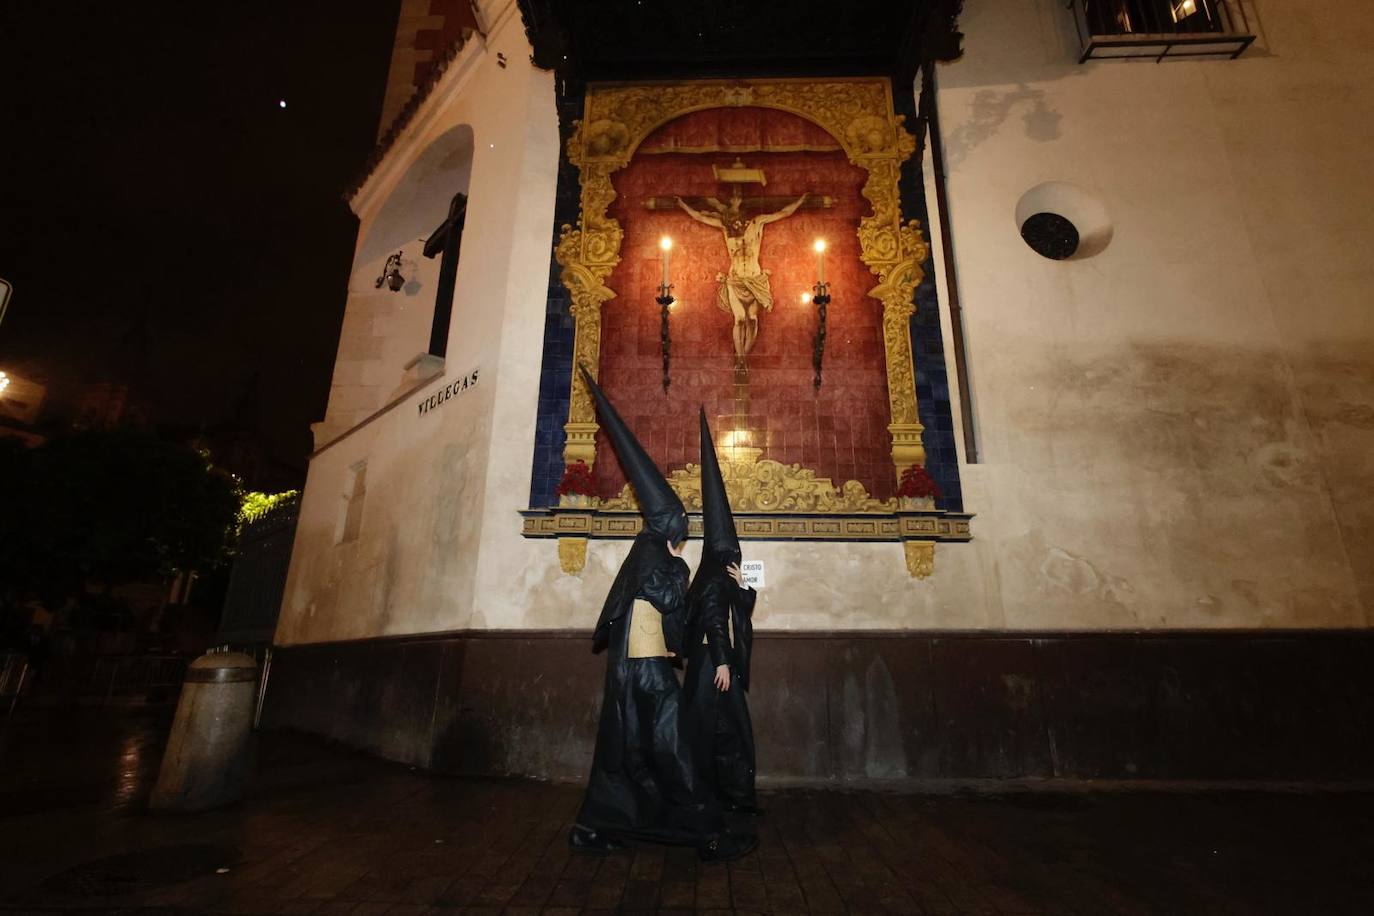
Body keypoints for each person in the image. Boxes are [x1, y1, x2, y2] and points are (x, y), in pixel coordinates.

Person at [568, 367, 756, 863]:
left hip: (638, 666)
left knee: (626, 747)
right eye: (680, 523)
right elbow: (670, 598)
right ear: (668, 523)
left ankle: (593, 826)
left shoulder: (646, 551)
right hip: (645, 667)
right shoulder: (655, 554)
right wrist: (678, 565)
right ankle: (707, 832)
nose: (682, 530)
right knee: (673, 743)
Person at [682, 408, 762, 816]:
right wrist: (723, 663)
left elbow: (737, 611)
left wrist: (743, 585)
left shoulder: (717, 576)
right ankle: (725, 799)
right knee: (725, 733)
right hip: (713, 666)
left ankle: (729, 797)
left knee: (723, 733)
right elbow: (715, 621)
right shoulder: (713, 580)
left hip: (711, 664)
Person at [676, 192, 807, 360]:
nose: (734, 220)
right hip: (735, 280)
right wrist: (682, 205)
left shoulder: (757, 223)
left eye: (736, 213)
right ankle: (740, 357)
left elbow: (784, 213)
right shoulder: (726, 228)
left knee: (752, 319)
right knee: (739, 319)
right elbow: (699, 217)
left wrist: (801, 200)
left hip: (755, 279)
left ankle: (744, 355)